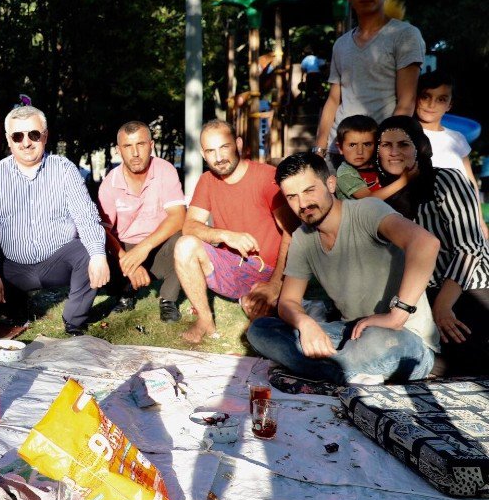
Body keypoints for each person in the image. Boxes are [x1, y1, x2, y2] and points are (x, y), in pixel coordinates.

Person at [246, 152, 439, 385]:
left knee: (377, 345)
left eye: (309, 191)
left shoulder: (367, 210)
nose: (303, 204)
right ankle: (346, 372)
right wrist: (306, 325)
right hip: (351, 333)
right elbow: (288, 302)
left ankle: (323, 371)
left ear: (330, 184)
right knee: (261, 330)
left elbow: (426, 243)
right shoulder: (302, 237)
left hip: (403, 337)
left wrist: (397, 315)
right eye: (292, 197)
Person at [0, 105, 109, 336]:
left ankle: (74, 321)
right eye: (18, 136)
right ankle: (19, 310)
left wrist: (98, 255)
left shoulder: (64, 169)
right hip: (15, 266)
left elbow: (86, 216)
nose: (26, 142)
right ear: (9, 140)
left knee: (89, 253)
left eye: (33, 134)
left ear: (45, 136)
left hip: (57, 261)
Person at [376, 116, 489, 376]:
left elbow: (469, 248)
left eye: (403, 144)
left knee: (467, 359)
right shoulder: (383, 195)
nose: (394, 152)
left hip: (467, 289)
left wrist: (442, 305)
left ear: (420, 147)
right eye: (385, 145)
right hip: (417, 297)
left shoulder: (447, 181)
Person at [173, 120, 296, 344]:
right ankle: (205, 320)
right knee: (185, 245)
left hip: (270, 271)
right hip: (232, 267)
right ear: (203, 154)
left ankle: (267, 303)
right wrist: (225, 235)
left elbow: (292, 232)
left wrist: (276, 283)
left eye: (224, 147)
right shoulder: (207, 181)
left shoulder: (267, 176)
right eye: (210, 151)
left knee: (260, 322)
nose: (218, 157)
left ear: (237, 144)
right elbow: (189, 226)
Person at [313, 0, 425, 162]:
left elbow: (406, 102)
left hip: (379, 150)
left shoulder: (405, 35)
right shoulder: (341, 44)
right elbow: (333, 100)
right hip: (337, 149)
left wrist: (386, 147)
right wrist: (319, 150)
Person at [97, 121, 184, 321]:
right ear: (119, 150)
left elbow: (178, 216)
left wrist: (143, 248)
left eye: (141, 144)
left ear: (151, 145)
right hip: (124, 250)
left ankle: (168, 300)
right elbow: (102, 230)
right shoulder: (110, 182)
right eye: (128, 146)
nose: (135, 153)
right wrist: (130, 263)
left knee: (183, 239)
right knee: (99, 246)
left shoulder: (165, 170)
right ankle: (125, 294)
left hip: (157, 245)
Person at [413, 70, 489, 238]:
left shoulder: (457, 138)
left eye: (441, 99)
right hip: (424, 221)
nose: (431, 104)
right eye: (426, 96)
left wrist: (480, 220)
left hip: (462, 222)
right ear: (416, 96)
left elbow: (469, 181)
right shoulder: (405, 135)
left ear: (450, 105)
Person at [334, 115, 414, 201]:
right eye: (352, 145)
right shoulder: (345, 173)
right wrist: (404, 180)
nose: (360, 152)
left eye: (367, 144)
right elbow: (370, 199)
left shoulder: (378, 163)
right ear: (340, 148)